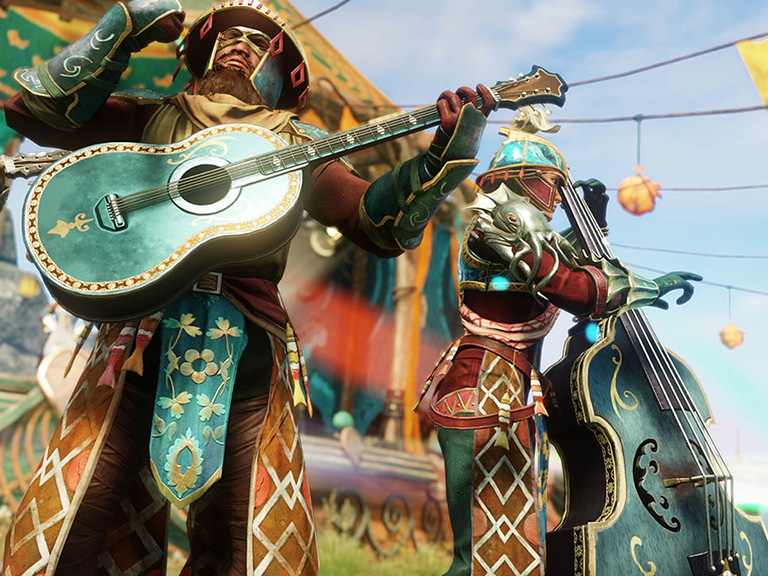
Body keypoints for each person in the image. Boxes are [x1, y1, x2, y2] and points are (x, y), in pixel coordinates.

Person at [1, 1, 494, 574]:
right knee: (76, 513)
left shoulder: (296, 143)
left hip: (249, 341)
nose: (241, 45)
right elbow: (33, 112)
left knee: (251, 540)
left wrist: (446, 155)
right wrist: (123, 26)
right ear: (203, 52)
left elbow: (375, 222)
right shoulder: (155, 116)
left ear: (281, 77)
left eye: (261, 46)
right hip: (136, 334)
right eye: (229, 37)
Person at [417, 111, 701, 576]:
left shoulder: (521, 235)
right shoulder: (496, 227)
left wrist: (595, 222)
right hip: (479, 392)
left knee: (515, 552)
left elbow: (570, 259)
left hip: (508, 394)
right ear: (519, 183)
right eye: (550, 186)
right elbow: (577, 288)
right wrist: (653, 286)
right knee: (478, 557)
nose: (553, 199)